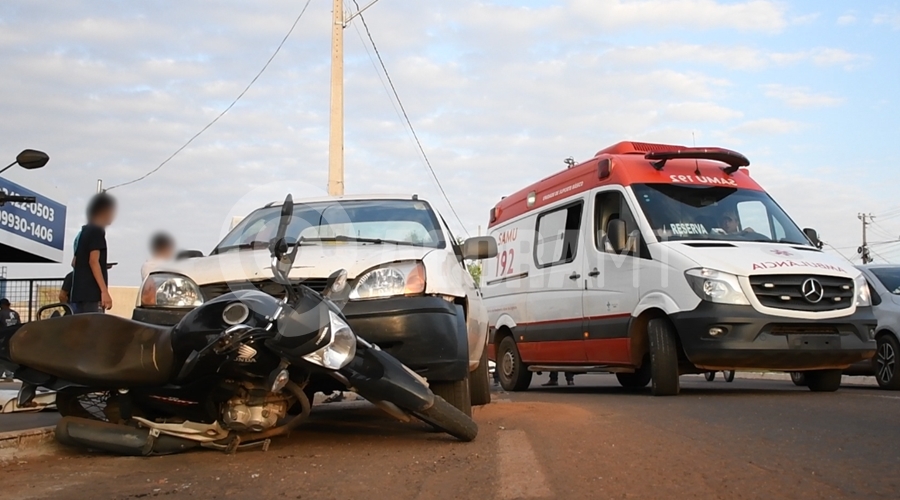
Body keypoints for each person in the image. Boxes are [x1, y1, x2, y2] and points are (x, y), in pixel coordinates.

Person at [71, 192, 117, 314]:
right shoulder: (97, 231)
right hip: (92, 294)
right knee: (95, 331)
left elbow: (75, 262)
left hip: (78, 294)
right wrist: (104, 291)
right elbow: (93, 261)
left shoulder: (83, 232)